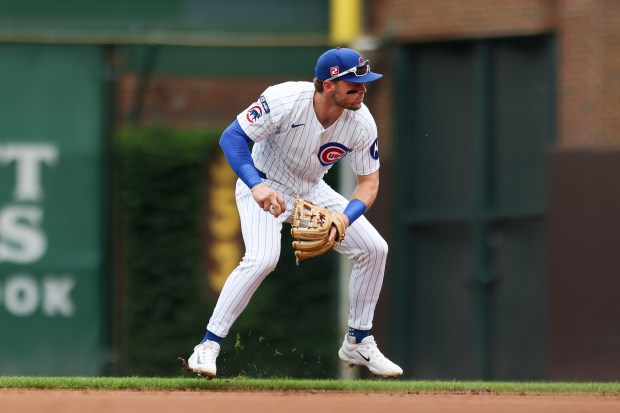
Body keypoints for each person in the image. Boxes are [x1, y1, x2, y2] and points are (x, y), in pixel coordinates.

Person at [186, 47, 403, 378]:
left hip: (311, 190)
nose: (362, 90)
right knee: (262, 259)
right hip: (262, 183)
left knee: (374, 248)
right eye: (354, 85)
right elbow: (232, 137)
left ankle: (358, 340)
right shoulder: (285, 99)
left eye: (364, 84)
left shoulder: (361, 122)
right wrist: (256, 184)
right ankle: (208, 345)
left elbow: (368, 184)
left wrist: (345, 218)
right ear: (329, 85)